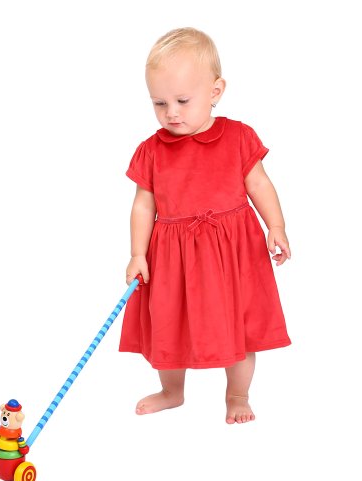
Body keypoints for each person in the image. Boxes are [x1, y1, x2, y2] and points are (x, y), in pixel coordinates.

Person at [119, 27, 291, 424]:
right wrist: (137, 254)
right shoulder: (151, 150)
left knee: (241, 325)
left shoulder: (238, 137)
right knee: (168, 324)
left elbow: (259, 184)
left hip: (234, 253)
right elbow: (143, 205)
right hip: (173, 258)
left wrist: (276, 226)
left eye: (182, 100)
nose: (171, 113)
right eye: (159, 103)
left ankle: (237, 394)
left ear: (215, 91)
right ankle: (172, 391)